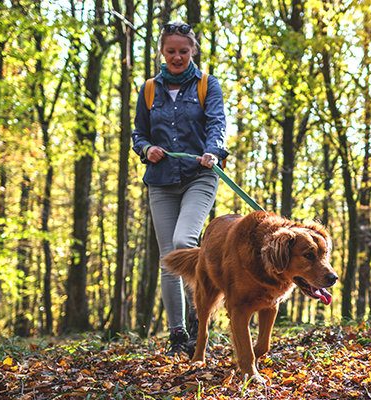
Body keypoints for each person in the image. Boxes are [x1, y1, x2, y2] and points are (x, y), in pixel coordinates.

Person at [132, 21, 229, 357]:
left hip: (198, 176)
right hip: (160, 181)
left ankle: (197, 316)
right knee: (167, 259)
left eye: (183, 51)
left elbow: (217, 123)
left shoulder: (207, 85)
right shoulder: (148, 90)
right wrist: (146, 149)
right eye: (171, 51)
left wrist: (212, 150)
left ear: (193, 51)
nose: (177, 57)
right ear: (162, 51)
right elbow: (138, 134)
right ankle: (177, 335)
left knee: (183, 242)